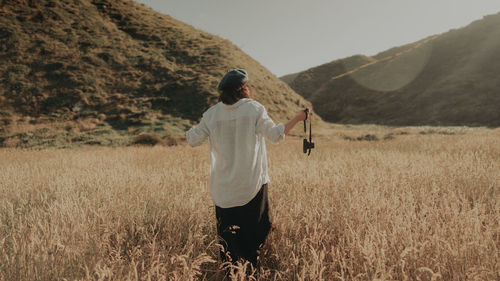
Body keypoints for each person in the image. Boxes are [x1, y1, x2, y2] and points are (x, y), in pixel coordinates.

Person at [186, 69, 307, 266]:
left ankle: (233, 275)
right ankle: (249, 274)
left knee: (229, 244)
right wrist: (298, 118)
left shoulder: (211, 114)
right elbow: (276, 135)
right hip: (251, 186)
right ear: (243, 89)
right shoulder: (254, 109)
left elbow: (192, 139)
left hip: (223, 190)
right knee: (254, 236)